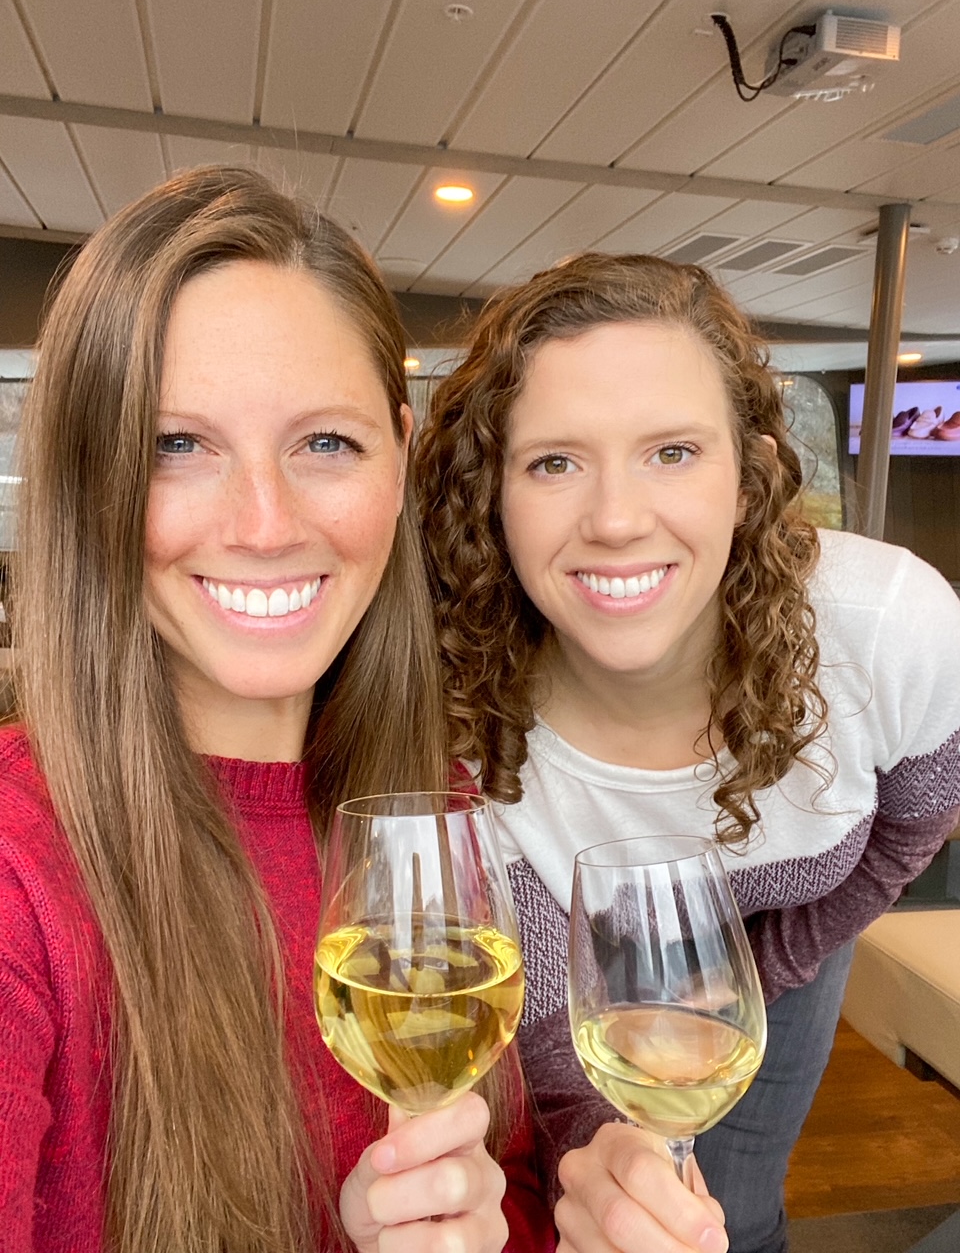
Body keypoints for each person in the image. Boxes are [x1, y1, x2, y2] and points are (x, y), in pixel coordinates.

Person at [0, 166, 555, 1253]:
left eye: (326, 442)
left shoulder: (428, 811)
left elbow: (508, 1187)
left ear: (400, 457)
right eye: (177, 445)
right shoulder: (18, 872)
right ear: (89, 477)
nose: (264, 523)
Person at [416, 251, 960, 1253]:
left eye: (672, 451)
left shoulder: (891, 625)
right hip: (581, 999)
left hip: (787, 945)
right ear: (494, 493)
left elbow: (907, 835)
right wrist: (615, 1167)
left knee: (738, 1210)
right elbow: (565, 1079)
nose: (618, 519)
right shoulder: (458, 731)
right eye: (554, 461)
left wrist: (768, 965)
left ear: (749, 471)